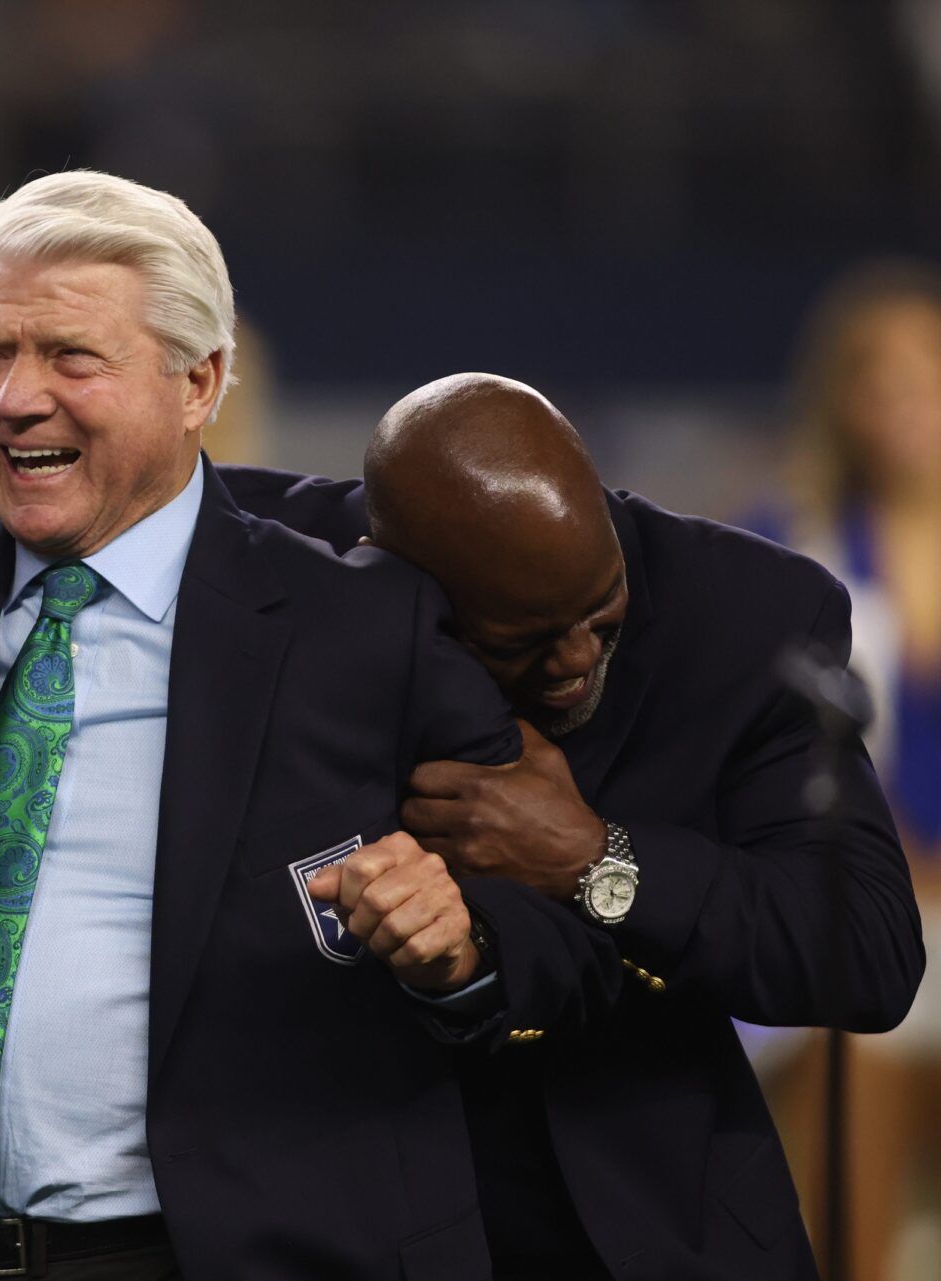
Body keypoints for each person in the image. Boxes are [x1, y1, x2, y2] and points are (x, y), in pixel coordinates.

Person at [0, 172, 622, 1280]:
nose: (14, 399)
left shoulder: (361, 631)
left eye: (71, 357)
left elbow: (566, 947)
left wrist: (460, 947)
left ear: (201, 383)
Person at [222, 373, 926, 1279]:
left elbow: (865, 952)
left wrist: (595, 858)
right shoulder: (290, 567)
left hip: (646, 1221)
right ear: (391, 574)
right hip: (345, 1208)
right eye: (521, 639)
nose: (575, 661)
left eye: (602, 613)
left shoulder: (748, 618)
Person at [743, 261, 941, 1280]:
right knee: (855, 1042)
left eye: (927, 368)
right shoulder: (789, 553)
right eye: (878, 374)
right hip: (861, 904)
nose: (904, 396)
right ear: (841, 400)